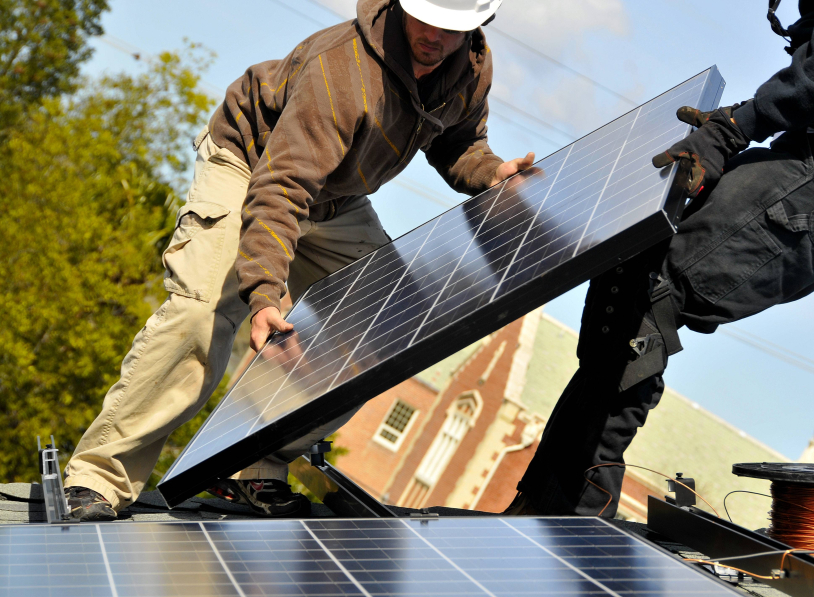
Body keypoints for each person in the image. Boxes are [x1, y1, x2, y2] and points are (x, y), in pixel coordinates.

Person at [64, 0, 536, 521]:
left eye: (451, 28)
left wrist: (490, 172)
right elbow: (281, 187)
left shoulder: (470, 67)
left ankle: (254, 465)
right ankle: (99, 478)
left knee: (392, 321)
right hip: (253, 165)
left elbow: (459, 141)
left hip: (337, 197)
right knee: (201, 315)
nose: (433, 35)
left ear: (477, 24)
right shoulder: (342, 68)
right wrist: (265, 293)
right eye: (425, 17)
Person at [510, 0, 814, 517]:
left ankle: (566, 523)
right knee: (632, 259)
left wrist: (736, 126)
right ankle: (542, 509)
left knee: (652, 299)